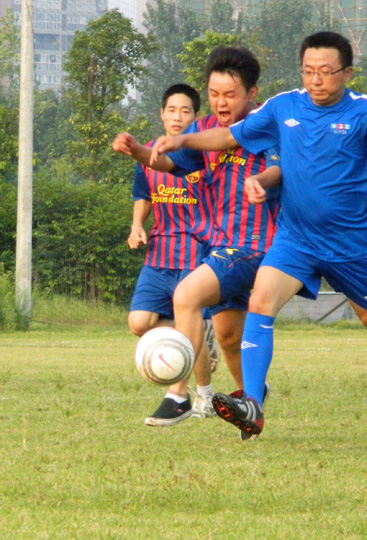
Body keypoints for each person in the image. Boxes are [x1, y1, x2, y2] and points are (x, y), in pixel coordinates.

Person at [149, 31, 367, 441]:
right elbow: (230, 136)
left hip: (348, 244)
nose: (316, 80)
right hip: (295, 238)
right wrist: (182, 139)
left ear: (347, 73)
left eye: (326, 72)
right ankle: (252, 406)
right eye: (309, 71)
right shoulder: (283, 106)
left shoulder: (366, 111)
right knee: (261, 301)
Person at [113, 47, 281, 431]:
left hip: (253, 243)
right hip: (218, 245)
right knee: (228, 338)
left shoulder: (265, 124)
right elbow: (170, 163)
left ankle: (179, 395)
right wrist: (136, 150)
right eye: (214, 93)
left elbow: (278, 167)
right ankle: (252, 404)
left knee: (186, 296)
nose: (221, 102)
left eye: (230, 94)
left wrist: (262, 180)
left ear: (252, 93)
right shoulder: (201, 127)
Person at [125, 83, 219, 426]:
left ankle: (195, 396)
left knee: (186, 326)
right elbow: (143, 195)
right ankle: (201, 336)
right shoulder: (147, 154)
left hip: (196, 252)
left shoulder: (202, 154)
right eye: (171, 110)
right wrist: (137, 225)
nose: (177, 116)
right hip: (160, 253)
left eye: (185, 111)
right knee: (140, 322)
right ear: (162, 114)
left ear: (196, 117)